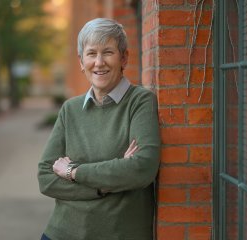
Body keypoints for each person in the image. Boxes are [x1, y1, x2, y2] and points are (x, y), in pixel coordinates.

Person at [38, 18, 160, 240]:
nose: (99, 62)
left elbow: (142, 168)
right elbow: (46, 178)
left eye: (108, 52)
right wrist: (105, 186)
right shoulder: (70, 109)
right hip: (61, 233)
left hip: (118, 233)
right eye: (91, 53)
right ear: (81, 62)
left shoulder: (140, 101)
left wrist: (73, 171)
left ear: (124, 58)